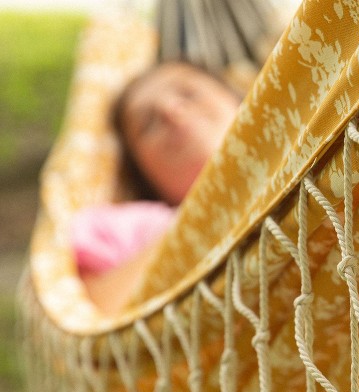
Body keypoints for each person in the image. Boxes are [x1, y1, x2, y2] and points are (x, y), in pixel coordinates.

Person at [73, 61, 241, 314]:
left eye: (189, 94)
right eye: (148, 123)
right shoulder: (131, 228)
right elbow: (99, 320)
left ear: (239, 96)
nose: (170, 110)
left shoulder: (308, 144)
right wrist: (205, 206)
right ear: (142, 174)